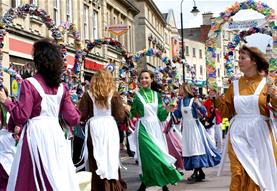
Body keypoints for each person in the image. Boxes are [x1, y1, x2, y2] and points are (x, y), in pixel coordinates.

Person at [0, 38, 81, 191]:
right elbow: (73, 118)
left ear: (38, 61)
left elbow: (21, 116)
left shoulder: (29, 83)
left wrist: (6, 101)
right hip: (55, 135)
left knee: (33, 177)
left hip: (35, 135)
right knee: (57, 174)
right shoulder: (61, 87)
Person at [213, 45, 277, 190]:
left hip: (260, 134)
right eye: (238, 58)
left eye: (243, 58)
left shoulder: (268, 83)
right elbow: (225, 113)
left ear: (254, 61)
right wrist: (218, 100)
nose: (239, 61)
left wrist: (275, 96)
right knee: (238, 172)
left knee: (258, 174)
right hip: (238, 133)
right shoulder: (234, 85)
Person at [130, 69, 183, 191]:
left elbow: (161, 115)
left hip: (155, 128)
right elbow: (133, 112)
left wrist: (168, 110)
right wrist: (131, 114)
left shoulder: (157, 95)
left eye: (146, 77)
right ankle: (156, 184)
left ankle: (154, 186)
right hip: (143, 128)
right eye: (142, 78)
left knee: (157, 155)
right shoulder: (137, 96)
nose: (144, 80)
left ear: (151, 79)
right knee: (152, 155)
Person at [79, 69, 127, 191]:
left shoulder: (87, 95)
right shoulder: (114, 94)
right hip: (110, 129)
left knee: (96, 161)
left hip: (94, 129)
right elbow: (120, 116)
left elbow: (82, 115)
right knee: (111, 160)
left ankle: (99, 188)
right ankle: (114, 187)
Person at [173, 83, 221, 183]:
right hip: (186, 128)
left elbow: (204, 112)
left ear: (185, 89)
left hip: (195, 127)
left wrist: (199, 106)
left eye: (180, 89)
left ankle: (196, 172)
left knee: (196, 148)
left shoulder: (193, 100)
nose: (179, 91)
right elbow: (178, 115)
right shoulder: (180, 101)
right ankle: (199, 172)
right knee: (190, 148)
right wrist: (172, 108)